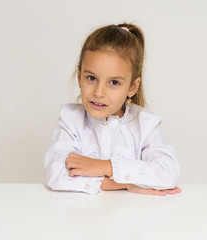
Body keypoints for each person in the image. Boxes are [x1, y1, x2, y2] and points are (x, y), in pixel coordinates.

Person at [44, 23, 181, 196]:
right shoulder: (70, 120)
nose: (99, 92)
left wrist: (105, 166)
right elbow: (56, 174)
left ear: (132, 87)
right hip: (81, 217)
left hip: (132, 217)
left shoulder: (145, 124)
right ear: (79, 77)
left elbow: (168, 173)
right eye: (91, 78)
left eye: (114, 82)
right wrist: (124, 184)